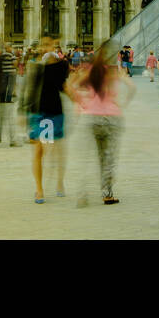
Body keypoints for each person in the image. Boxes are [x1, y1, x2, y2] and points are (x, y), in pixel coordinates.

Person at [67, 44, 135, 205]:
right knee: (108, 157)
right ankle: (107, 193)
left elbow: (71, 86)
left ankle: (81, 194)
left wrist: (82, 102)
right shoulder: (114, 72)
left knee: (85, 157)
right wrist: (122, 104)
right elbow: (131, 87)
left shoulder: (89, 71)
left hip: (90, 117)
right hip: (112, 118)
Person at [22, 40, 70, 203]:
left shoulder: (61, 66)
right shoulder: (36, 67)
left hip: (54, 112)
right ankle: (39, 189)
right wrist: (23, 113)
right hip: (39, 112)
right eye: (43, 45)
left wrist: (77, 99)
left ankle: (59, 181)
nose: (44, 48)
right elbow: (30, 90)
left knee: (55, 149)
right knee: (40, 150)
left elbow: (63, 86)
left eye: (48, 45)